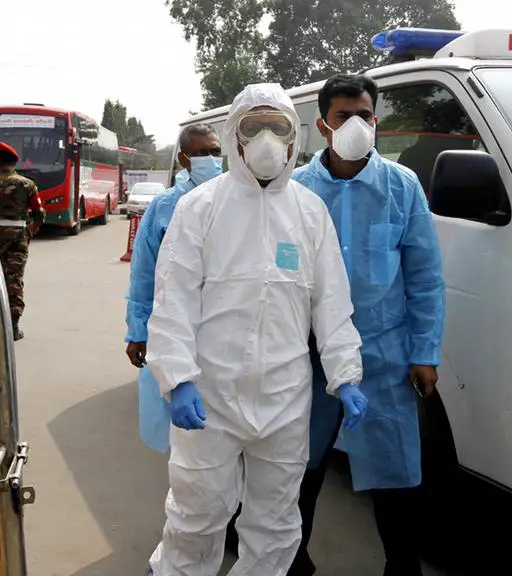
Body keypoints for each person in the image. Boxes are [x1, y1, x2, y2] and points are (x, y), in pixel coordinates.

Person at [145, 83, 368, 576]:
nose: (267, 139)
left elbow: (331, 302)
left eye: (279, 127)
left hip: (285, 398)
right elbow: (174, 298)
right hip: (211, 394)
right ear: (235, 136)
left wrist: (346, 375)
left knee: (277, 521)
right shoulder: (200, 207)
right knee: (197, 514)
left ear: (295, 139)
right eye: (254, 127)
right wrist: (177, 377)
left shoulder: (310, 213)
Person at [228, 73, 446, 576]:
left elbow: (425, 276)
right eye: (344, 116)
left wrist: (425, 351)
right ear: (323, 126)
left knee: (395, 475)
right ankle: (294, 562)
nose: (356, 124)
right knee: (298, 471)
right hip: (306, 358)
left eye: (365, 115)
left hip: (383, 356)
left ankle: (401, 566)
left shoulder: (401, 187)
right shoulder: (295, 188)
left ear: (377, 121)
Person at [124, 123, 223, 453]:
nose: (210, 159)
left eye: (215, 152)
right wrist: (138, 331)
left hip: (223, 329)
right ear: (184, 159)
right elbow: (144, 276)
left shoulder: (235, 201)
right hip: (177, 326)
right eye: (201, 153)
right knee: (183, 430)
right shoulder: (165, 208)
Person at [0, 142, 45, 341]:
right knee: (14, 280)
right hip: (18, 237)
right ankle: (13, 327)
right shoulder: (27, 184)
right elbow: (39, 213)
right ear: (15, 162)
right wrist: (30, 232)